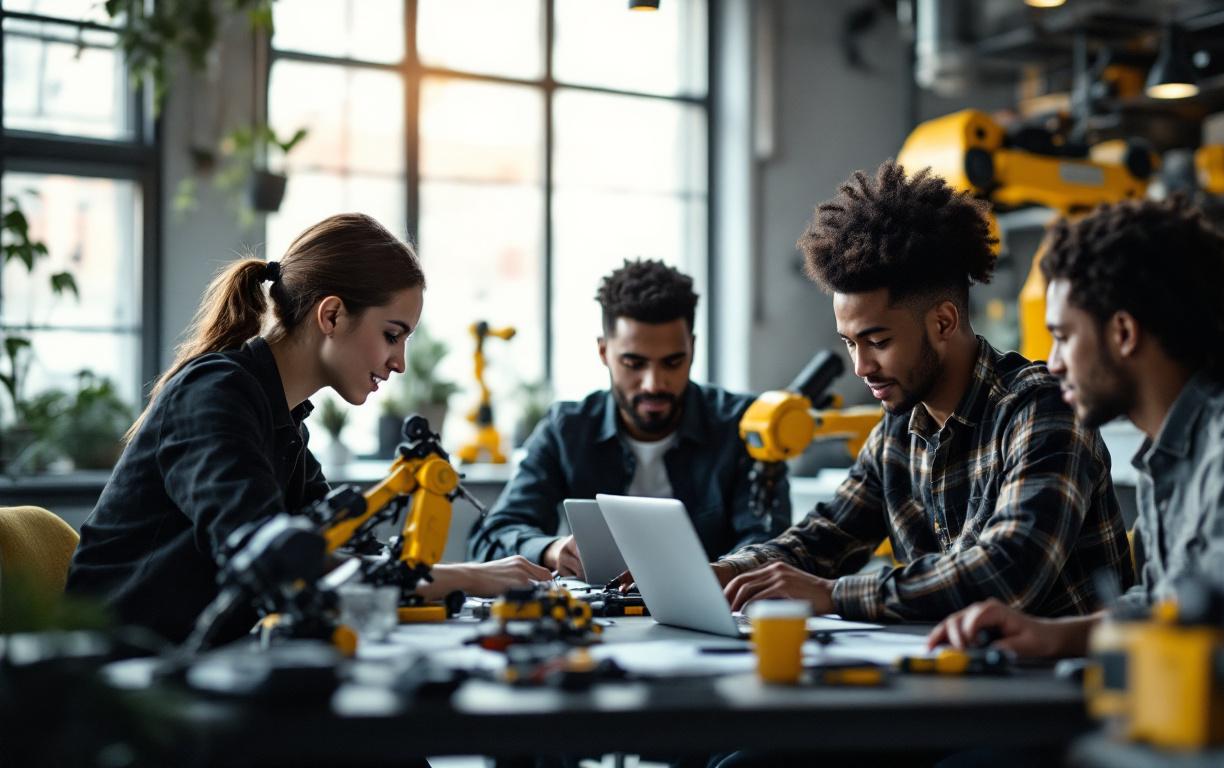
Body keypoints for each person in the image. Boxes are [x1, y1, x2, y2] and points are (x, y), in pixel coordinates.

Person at [66, 213, 550, 645]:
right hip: (129, 685)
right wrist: (464, 577)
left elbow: (336, 547)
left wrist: (462, 576)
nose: (399, 362)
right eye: (392, 334)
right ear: (332, 315)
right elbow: (272, 555)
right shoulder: (214, 394)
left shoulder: (284, 422)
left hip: (206, 664)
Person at [708, 160, 1133, 621]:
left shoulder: (1040, 407)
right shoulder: (898, 428)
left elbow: (1007, 572)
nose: (861, 366)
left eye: (878, 342)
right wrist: (723, 571)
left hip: (1060, 683)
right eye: (850, 344)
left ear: (943, 322)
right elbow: (826, 537)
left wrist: (833, 595)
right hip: (956, 678)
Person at [928, 198, 1224, 657]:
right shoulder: (1166, 451)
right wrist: (1050, 635)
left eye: (1064, 337)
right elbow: (1162, 607)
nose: (1054, 363)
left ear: (1123, 333)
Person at [469, 259, 790, 577]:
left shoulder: (746, 425)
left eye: (672, 362)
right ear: (603, 352)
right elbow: (492, 536)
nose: (653, 383)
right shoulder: (567, 429)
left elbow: (771, 543)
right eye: (634, 363)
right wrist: (551, 550)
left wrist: (718, 573)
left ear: (692, 349)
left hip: (716, 618)